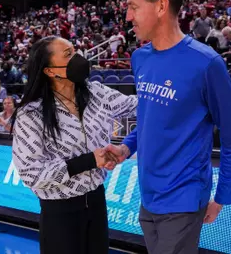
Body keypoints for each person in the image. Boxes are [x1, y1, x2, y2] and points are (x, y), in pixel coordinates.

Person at [104, 0, 231, 254]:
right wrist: (125, 149)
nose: (127, 16)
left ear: (161, 6)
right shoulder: (140, 58)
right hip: (148, 196)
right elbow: (148, 119)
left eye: (133, 7)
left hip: (183, 198)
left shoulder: (206, 63)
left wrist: (222, 196)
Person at [11, 36, 137, 254]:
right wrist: (87, 161)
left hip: (96, 200)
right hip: (60, 211)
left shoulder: (96, 92)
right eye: (68, 54)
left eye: (75, 50)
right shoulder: (31, 114)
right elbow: (32, 174)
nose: (78, 58)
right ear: (50, 71)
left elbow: (137, 107)